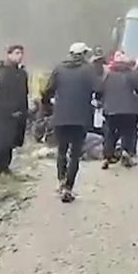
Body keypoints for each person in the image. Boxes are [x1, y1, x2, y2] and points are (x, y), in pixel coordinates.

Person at [41, 42, 102, 203]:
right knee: (75, 154)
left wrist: (48, 106)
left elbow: (47, 91)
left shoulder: (59, 68)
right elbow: (98, 89)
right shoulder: (88, 69)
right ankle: (68, 187)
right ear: (82, 54)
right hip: (80, 117)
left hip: (61, 116)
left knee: (61, 150)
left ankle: (61, 180)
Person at [0, 45, 29, 176]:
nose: (19, 56)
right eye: (16, 53)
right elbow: (1, 94)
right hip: (3, 113)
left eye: (21, 53)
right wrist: (10, 110)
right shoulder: (4, 72)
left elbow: (23, 93)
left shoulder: (21, 73)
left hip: (17, 113)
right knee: (1, 142)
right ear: (9, 55)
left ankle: (6, 167)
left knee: (10, 142)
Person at [101, 52, 138, 169]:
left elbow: (100, 89)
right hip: (129, 109)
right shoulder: (132, 74)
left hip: (110, 109)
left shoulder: (108, 75)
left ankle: (107, 157)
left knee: (110, 133)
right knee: (128, 132)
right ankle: (126, 153)